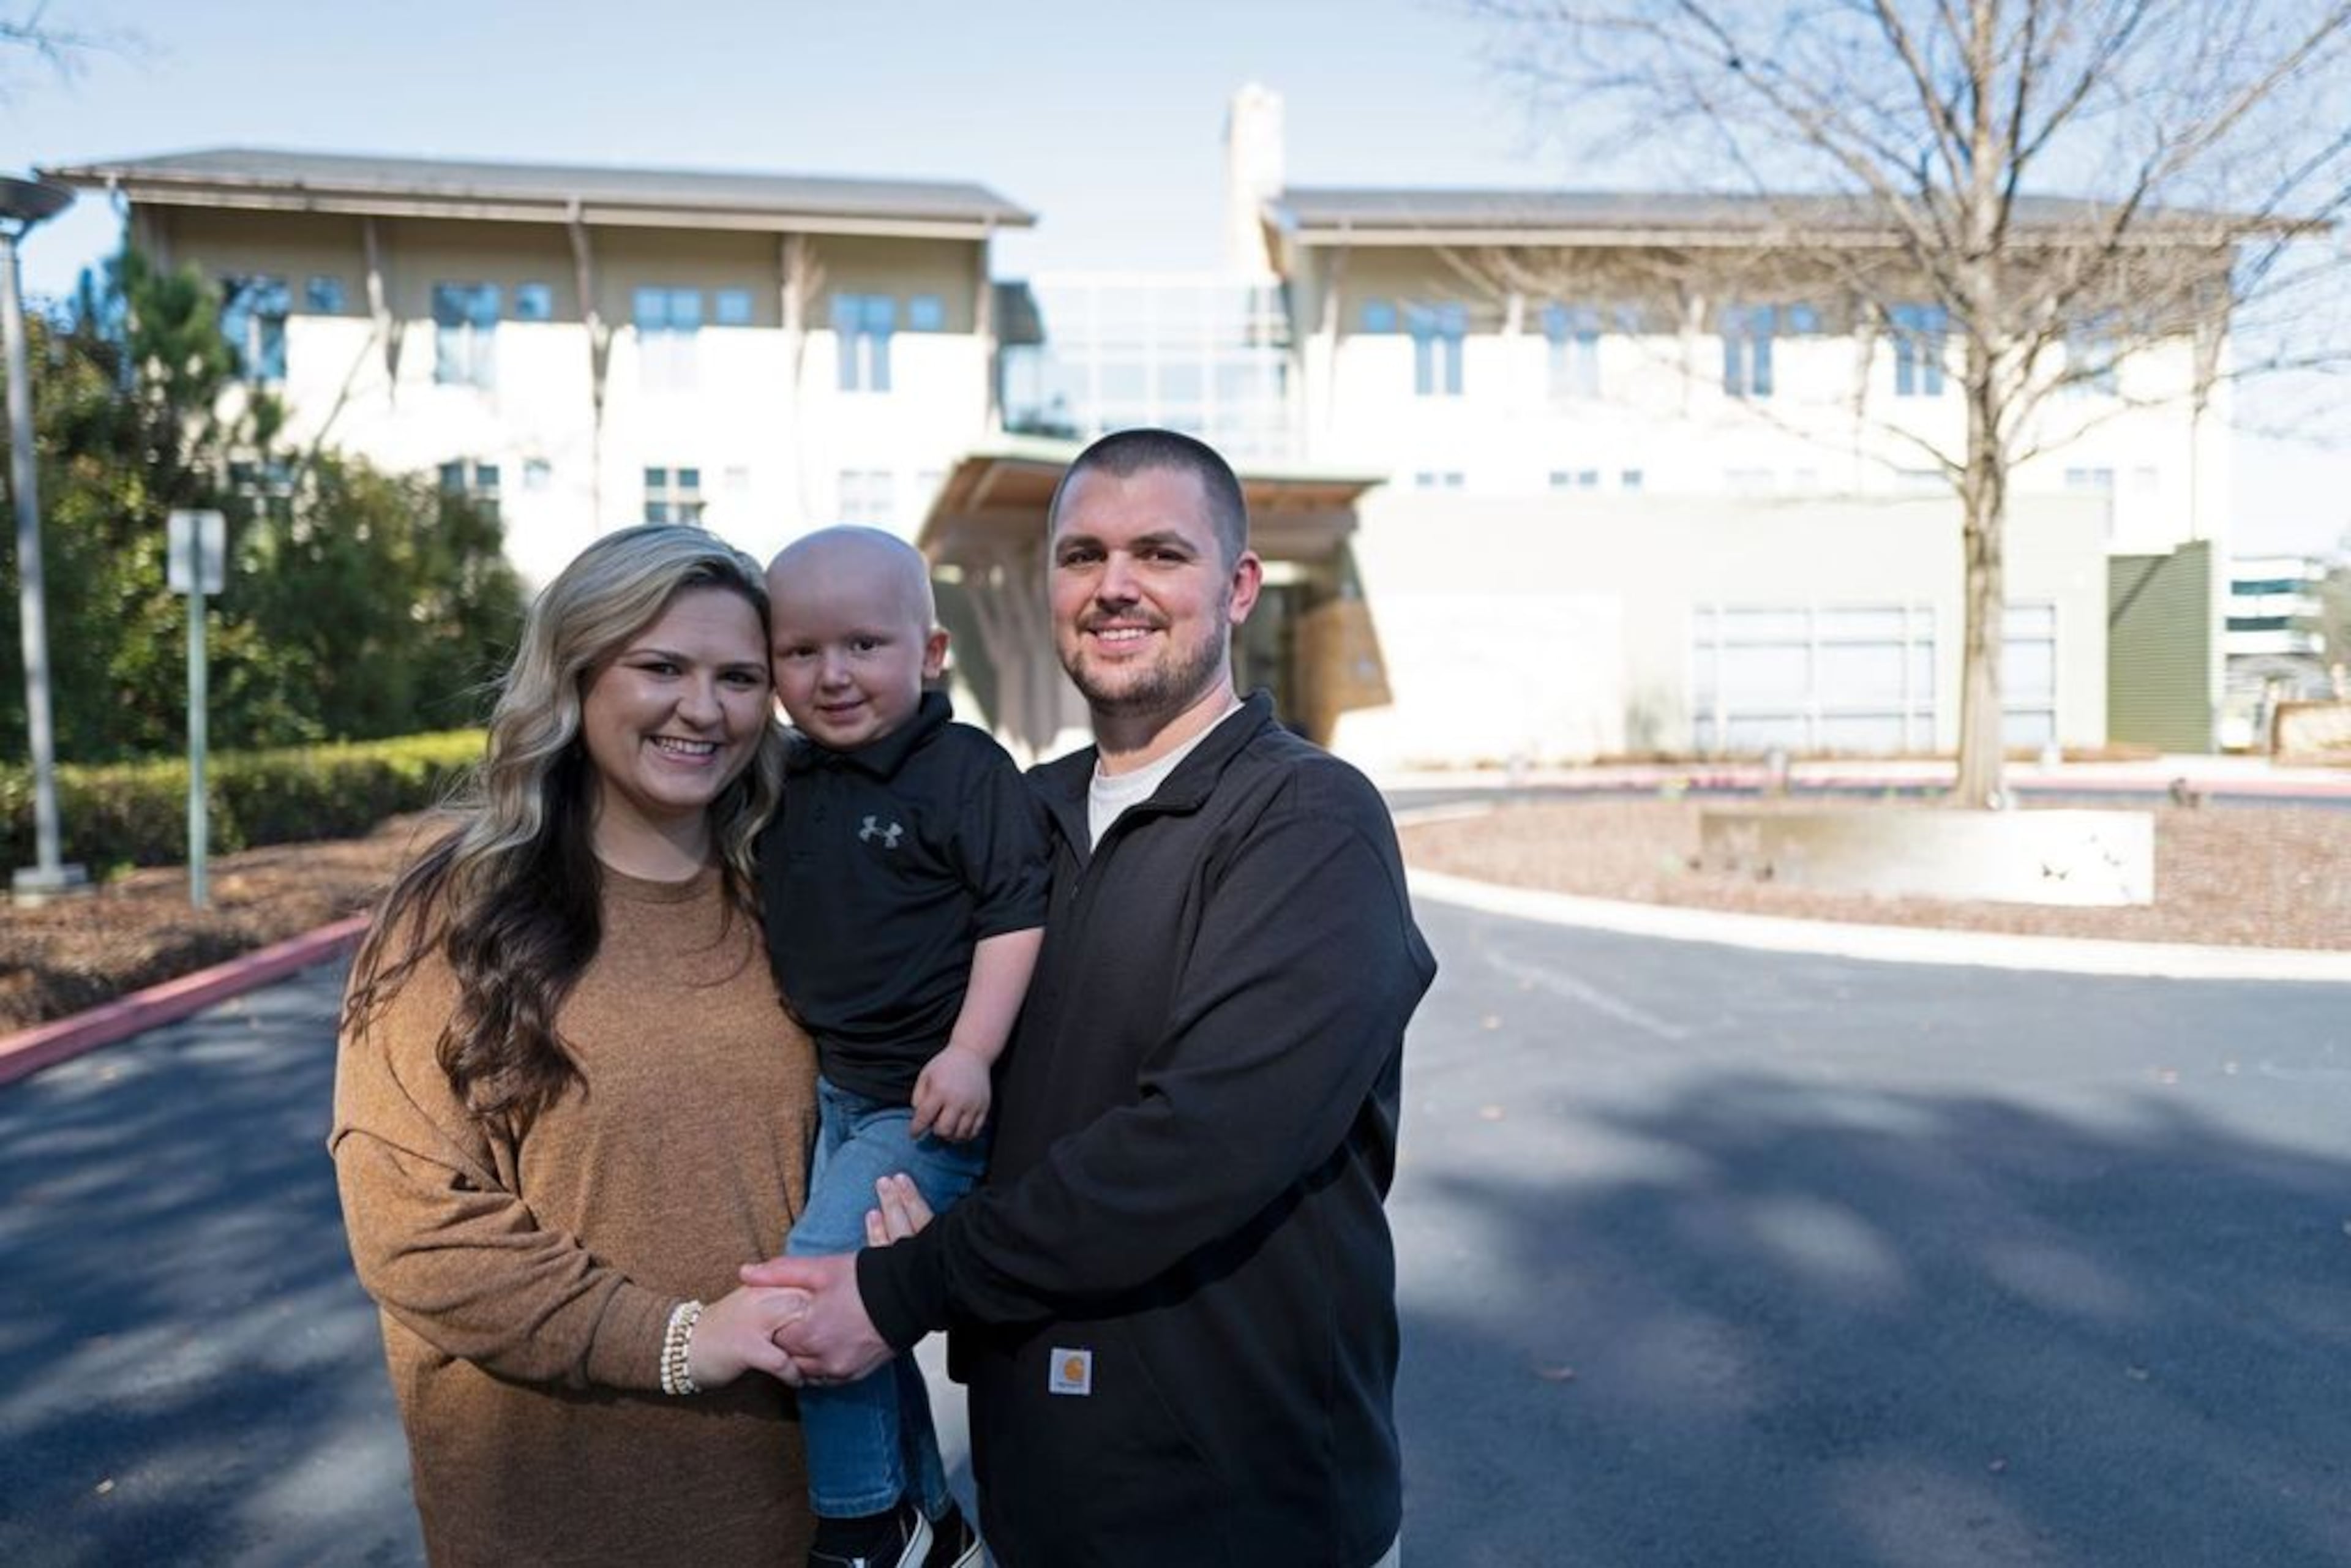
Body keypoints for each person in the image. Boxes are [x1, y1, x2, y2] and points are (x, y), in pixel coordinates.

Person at [747, 429, 1438, 1567]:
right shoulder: (1018, 813)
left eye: (1160, 552)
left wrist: (911, 1280)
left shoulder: (1307, 820)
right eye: (1083, 555)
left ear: (1239, 587)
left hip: (1245, 1520)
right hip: (1039, 1504)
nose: (1115, 584)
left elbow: (1204, 1145)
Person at [331, 524, 823, 1566]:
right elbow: (411, 1227)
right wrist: (679, 1340)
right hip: (551, 1519)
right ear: (576, 673)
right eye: (662, 667)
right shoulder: (456, 913)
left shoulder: (798, 894)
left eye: (739, 677)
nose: (704, 708)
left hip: (804, 1504)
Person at [758, 527, 1047, 1568]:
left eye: (864, 645)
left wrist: (971, 1050)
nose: (832, 674)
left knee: (813, 1285)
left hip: (920, 1106)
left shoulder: (961, 771)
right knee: (862, 1316)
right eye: (801, 652)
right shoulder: (788, 774)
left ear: (929, 653)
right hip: (837, 1095)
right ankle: (932, 1516)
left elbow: (1016, 913)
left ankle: (863, 1521)